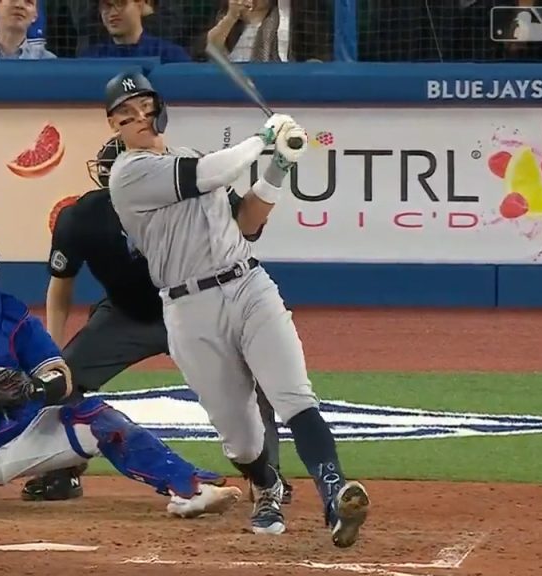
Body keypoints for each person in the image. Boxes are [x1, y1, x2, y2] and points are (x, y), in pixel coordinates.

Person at [103, 71, 370, 547]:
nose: (138, 118)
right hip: (189, 310)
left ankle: (335, 495)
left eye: (145, 107)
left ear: (160, 109)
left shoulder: (189, 158)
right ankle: (266, 485)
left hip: (248, 285)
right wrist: (264, 139)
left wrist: (280, 167)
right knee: (243, 440)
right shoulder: (128, 174)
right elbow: (210, 174)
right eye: (125, 115)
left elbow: (247, 221)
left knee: (294, 396)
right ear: (114, 127)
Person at [0, 230, 243, 517]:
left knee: (104, 421)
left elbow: (60, 376)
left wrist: (31, 390)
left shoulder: (15, 319)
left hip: (30, 438)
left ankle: (193, 490)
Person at [21, 136, 293, 506]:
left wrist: (275, 165)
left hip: (200, 308)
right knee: (60, 381)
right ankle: (61, 472)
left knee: (256, 377)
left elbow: (248, 226)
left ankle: (265, 475)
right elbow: (60, 287)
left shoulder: (197, 192)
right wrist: (51, 354)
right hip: (126, 315)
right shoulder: (81, 217)